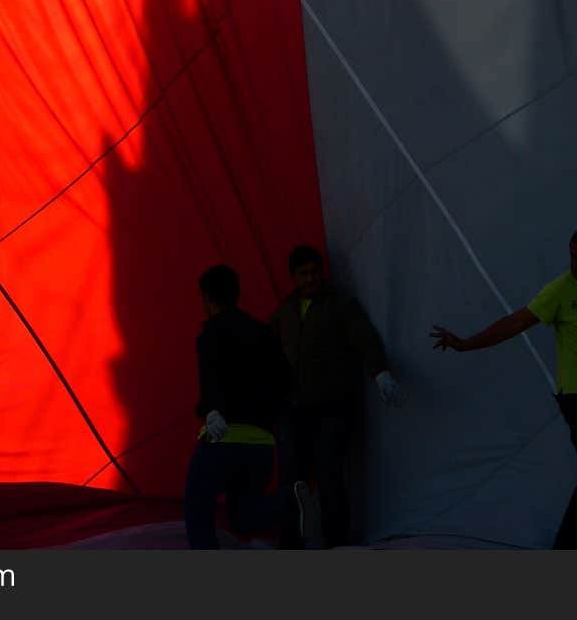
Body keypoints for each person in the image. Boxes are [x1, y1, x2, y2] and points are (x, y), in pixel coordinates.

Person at [431, 230, 577, 549]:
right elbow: (515, 323)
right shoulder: (561, 290)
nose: (575, 263)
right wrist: (467, 344)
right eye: (572, 256)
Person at [270, 245, 405, 548]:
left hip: (333, 406)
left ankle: (336, 544)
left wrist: (380, 372)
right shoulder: (285, 311)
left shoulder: (341, 305)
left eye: (315, 271)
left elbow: (365, 340)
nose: (311, 278)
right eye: (304, 274)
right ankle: (291, 542)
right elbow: (267, 353)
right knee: (292, 479)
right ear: (293, 277)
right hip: (293, 409)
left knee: (330, 475)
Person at [185, 264, 307, 549]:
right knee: (244, 515)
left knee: (197, 507)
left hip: (224, 436)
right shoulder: (263, 333)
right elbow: (286, 381)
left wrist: (213, 410)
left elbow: (210, 378)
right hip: (262, 442)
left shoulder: (211, 334)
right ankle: (290, 500)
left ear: (207, 297)